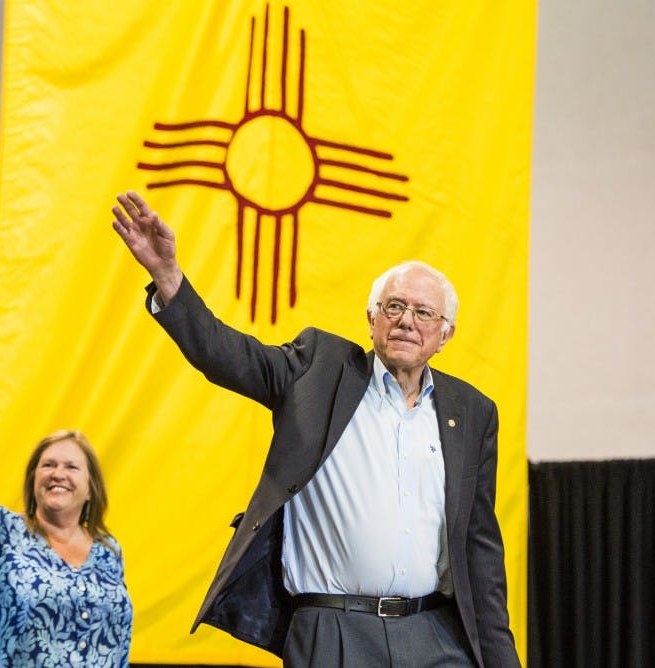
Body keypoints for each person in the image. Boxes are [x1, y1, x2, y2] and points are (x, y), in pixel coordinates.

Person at [111, 190, 520, 667]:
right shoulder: (319, 371)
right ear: (371, 319)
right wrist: (168, 278)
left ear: (445, 334)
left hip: (433, 634)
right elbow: (227, 355)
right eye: (394, 307)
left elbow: (480, 553)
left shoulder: (471, 412)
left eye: (424, 312)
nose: (407, 321)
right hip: (333, 631)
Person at [0, 378, 133, 667]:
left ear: (91, 487)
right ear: (33, 481)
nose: (58, 474)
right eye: (48, 465)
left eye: (71, 467)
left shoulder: (109, 552)